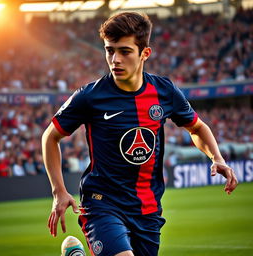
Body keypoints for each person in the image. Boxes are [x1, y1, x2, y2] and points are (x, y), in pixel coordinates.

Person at [41, 12, 238, 256]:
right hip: (102, 202)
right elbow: (51, 136)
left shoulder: (164, 91)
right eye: (109, 50)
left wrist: (216, 157)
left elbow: (197, 127)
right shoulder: (90, 96)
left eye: (124, 51)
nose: (115, 59)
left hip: (148, 209)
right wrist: (59, 191)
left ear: (145, 53)